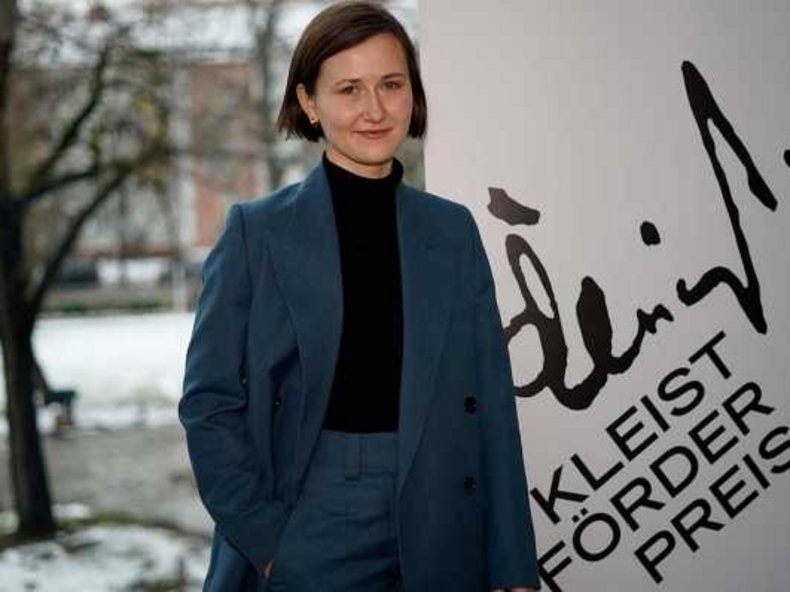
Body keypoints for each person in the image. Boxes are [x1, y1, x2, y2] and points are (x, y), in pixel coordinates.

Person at [179, 2, 540, 591]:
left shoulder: (453, 230)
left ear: (413, 93)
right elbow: (208, 403)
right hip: (311, 518)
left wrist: (513, 561)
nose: (374, 109)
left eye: (391, 85)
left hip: (445, 514)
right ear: (308, 102)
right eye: (349, 89)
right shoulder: (256, 233)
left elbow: (492, 404)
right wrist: (267, 542)